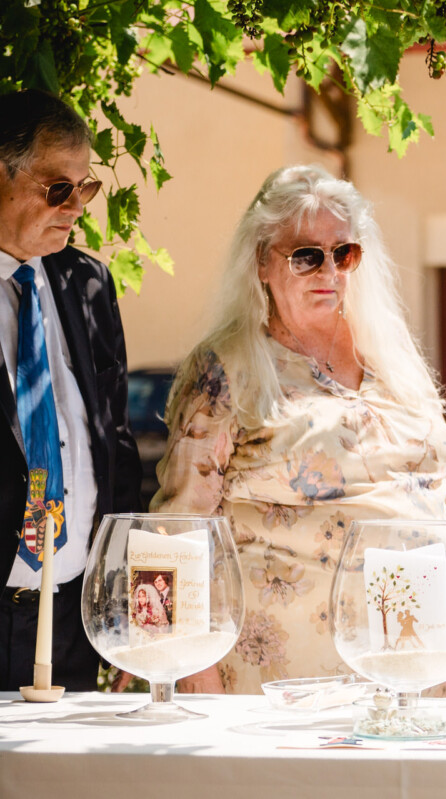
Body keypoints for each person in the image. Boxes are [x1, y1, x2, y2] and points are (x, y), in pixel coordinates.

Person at [152, 164, 446, 694]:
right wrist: (193, 680)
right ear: (262, 261)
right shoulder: (227, 369)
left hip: (417, 665)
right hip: (287, 687)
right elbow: (177, 533)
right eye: (306, 255)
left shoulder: (391, 358)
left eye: (343, 253)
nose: (329, 270)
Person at [0, 90, 143, 692]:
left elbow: (116, 446)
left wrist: (125, 596)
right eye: (59, 189)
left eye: (85, 187)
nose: (76, 207)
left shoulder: (87, 283)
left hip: (74, 614)